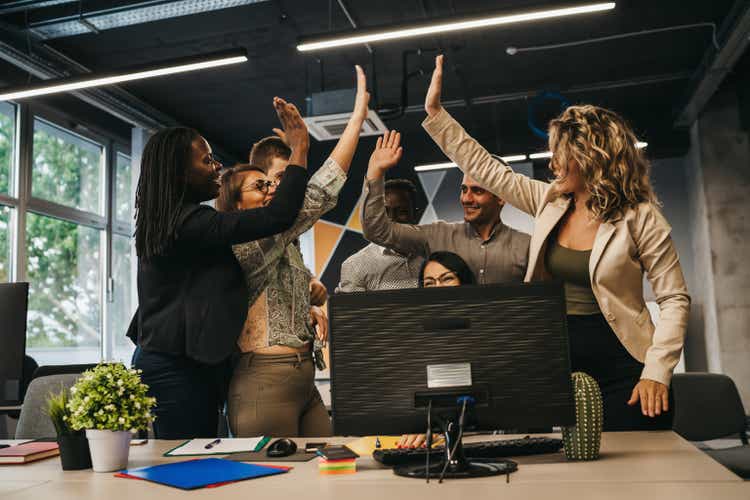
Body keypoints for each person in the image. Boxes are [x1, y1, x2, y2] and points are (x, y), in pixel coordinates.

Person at [421, 55, 690, 431]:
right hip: (557, 361)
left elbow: (674, 298)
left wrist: (658, 371)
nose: (553, 164)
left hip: (625, 366)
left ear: (592, 159)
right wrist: (436, 116)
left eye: (561, 155)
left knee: (635, 477)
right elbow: (487, 168)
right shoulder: (550, 201)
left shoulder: (641, 217)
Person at [127, 99, 310, 439]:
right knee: (183, 463)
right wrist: (299, 148)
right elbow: (278, 217)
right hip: (175, 367)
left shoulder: (172, 220)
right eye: (207, 160)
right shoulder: (191, 222)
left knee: (192, 458)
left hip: (182, 361)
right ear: (181, 172)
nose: (217, 166)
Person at [219, 66, 371, 437]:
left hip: (304, 376)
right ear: (237, 204)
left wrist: (310, 304)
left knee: (329, 477)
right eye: (263, 185)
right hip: (264, 382)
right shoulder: (243, 242)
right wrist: (355, 121)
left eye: (279, 183)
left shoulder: (285, 241)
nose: (275, 191)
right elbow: (320, 191)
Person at [361, 130, 530, 285]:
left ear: (501, 197)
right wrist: (375, 172)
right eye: (464, 189)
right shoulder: (436, 235)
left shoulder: (526, 246)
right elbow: (376, 230)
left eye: (477, 191)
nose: (466, 198)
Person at [398, 250, 475, 448]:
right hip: (434, 437)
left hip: (479, 434)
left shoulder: (485, 331)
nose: (437, 288)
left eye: (447, 279)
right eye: (430, 283)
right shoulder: (411, 339)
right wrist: (418, 426)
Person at [249, 136, 328, 306]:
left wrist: (310, 280)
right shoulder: (254, 228)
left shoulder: (288, 227)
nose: (289, 184)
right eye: (281, 176)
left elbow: (288, 266)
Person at [337, 178, 424, 292]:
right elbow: (352, 309)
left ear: (416, 215)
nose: (391, 219)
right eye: (384, 212)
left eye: (402, 212)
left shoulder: (433, 254)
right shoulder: (355, 265)